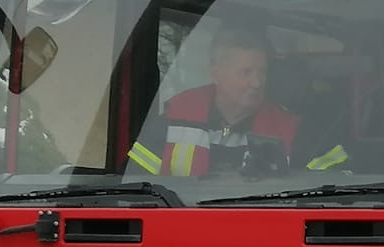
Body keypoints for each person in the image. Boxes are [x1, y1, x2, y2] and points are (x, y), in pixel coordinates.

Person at [128, 24, 300, 177]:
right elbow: (134, 183)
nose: (257, 83)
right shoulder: (175, 119)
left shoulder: (289, 129)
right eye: (246, 72)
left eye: (262, 72)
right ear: (215, 74)